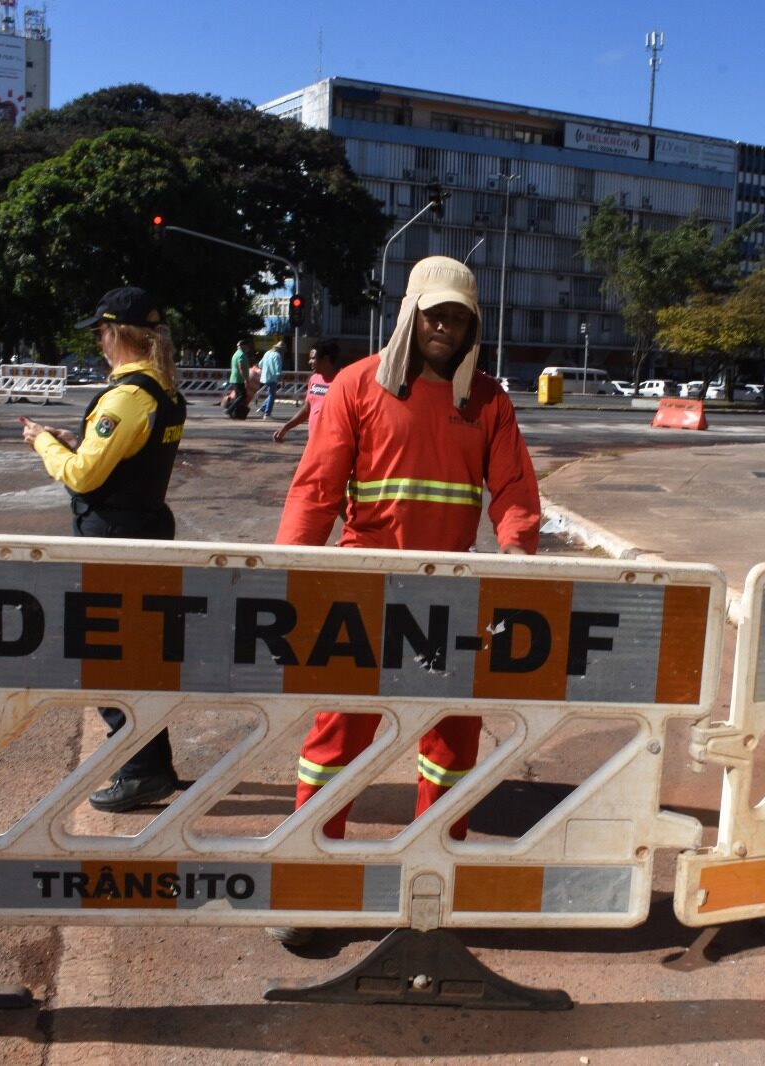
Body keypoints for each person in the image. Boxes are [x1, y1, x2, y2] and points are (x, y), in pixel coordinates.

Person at [270, 256, 540, 945]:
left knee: (451, 743)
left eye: (459, 317)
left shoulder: (486, 400)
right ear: (410, 313)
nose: (445, 327)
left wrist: (514, 552)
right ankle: (311, 881)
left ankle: (433, 882)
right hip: (362, 591)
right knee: (336, 739)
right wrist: (289, 569)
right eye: (435, 313)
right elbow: (316, 488)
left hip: (452, 593)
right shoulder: (357, 386)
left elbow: (513, 491)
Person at [19, 285, 188, 812]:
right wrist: (78, 442)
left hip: (111, 540)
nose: (97, 342)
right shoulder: (165, 391)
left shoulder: (126, 398)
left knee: (105, 658)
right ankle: (153, 767)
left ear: (117, 333)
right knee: (139, 657)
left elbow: (84, 474)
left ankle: (141, 772)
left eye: (100, 332)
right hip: (145, 531)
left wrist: (43, 443)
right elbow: (120, 458)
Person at [272, 340, 339, 445]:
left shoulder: (343, 381)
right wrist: (285, 427)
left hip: (334, 444)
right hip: (313, 443)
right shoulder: (314, 379)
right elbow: (307, 409)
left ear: (326, 359)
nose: (309, 362)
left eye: (313, 359)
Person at [224, 338, 252, 419]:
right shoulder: (241, 355)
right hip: (239, 379)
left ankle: (234, 414)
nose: (248, 347)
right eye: (247, 346)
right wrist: (245, 379)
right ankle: (229, 410)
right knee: (242, 396)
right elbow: (241, 368)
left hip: (235, 378)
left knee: (238, 396)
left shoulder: (236, 354)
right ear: (243, 346)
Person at [257, 339, 286, 420]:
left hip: (264, 377)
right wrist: (282, 380)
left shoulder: (267, 353)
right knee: (272, 395)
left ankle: (262, 409)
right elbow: (278, 370)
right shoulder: (277, 356)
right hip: (272, 378)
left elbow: (260, 364)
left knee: (271, 394)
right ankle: (267, 413)